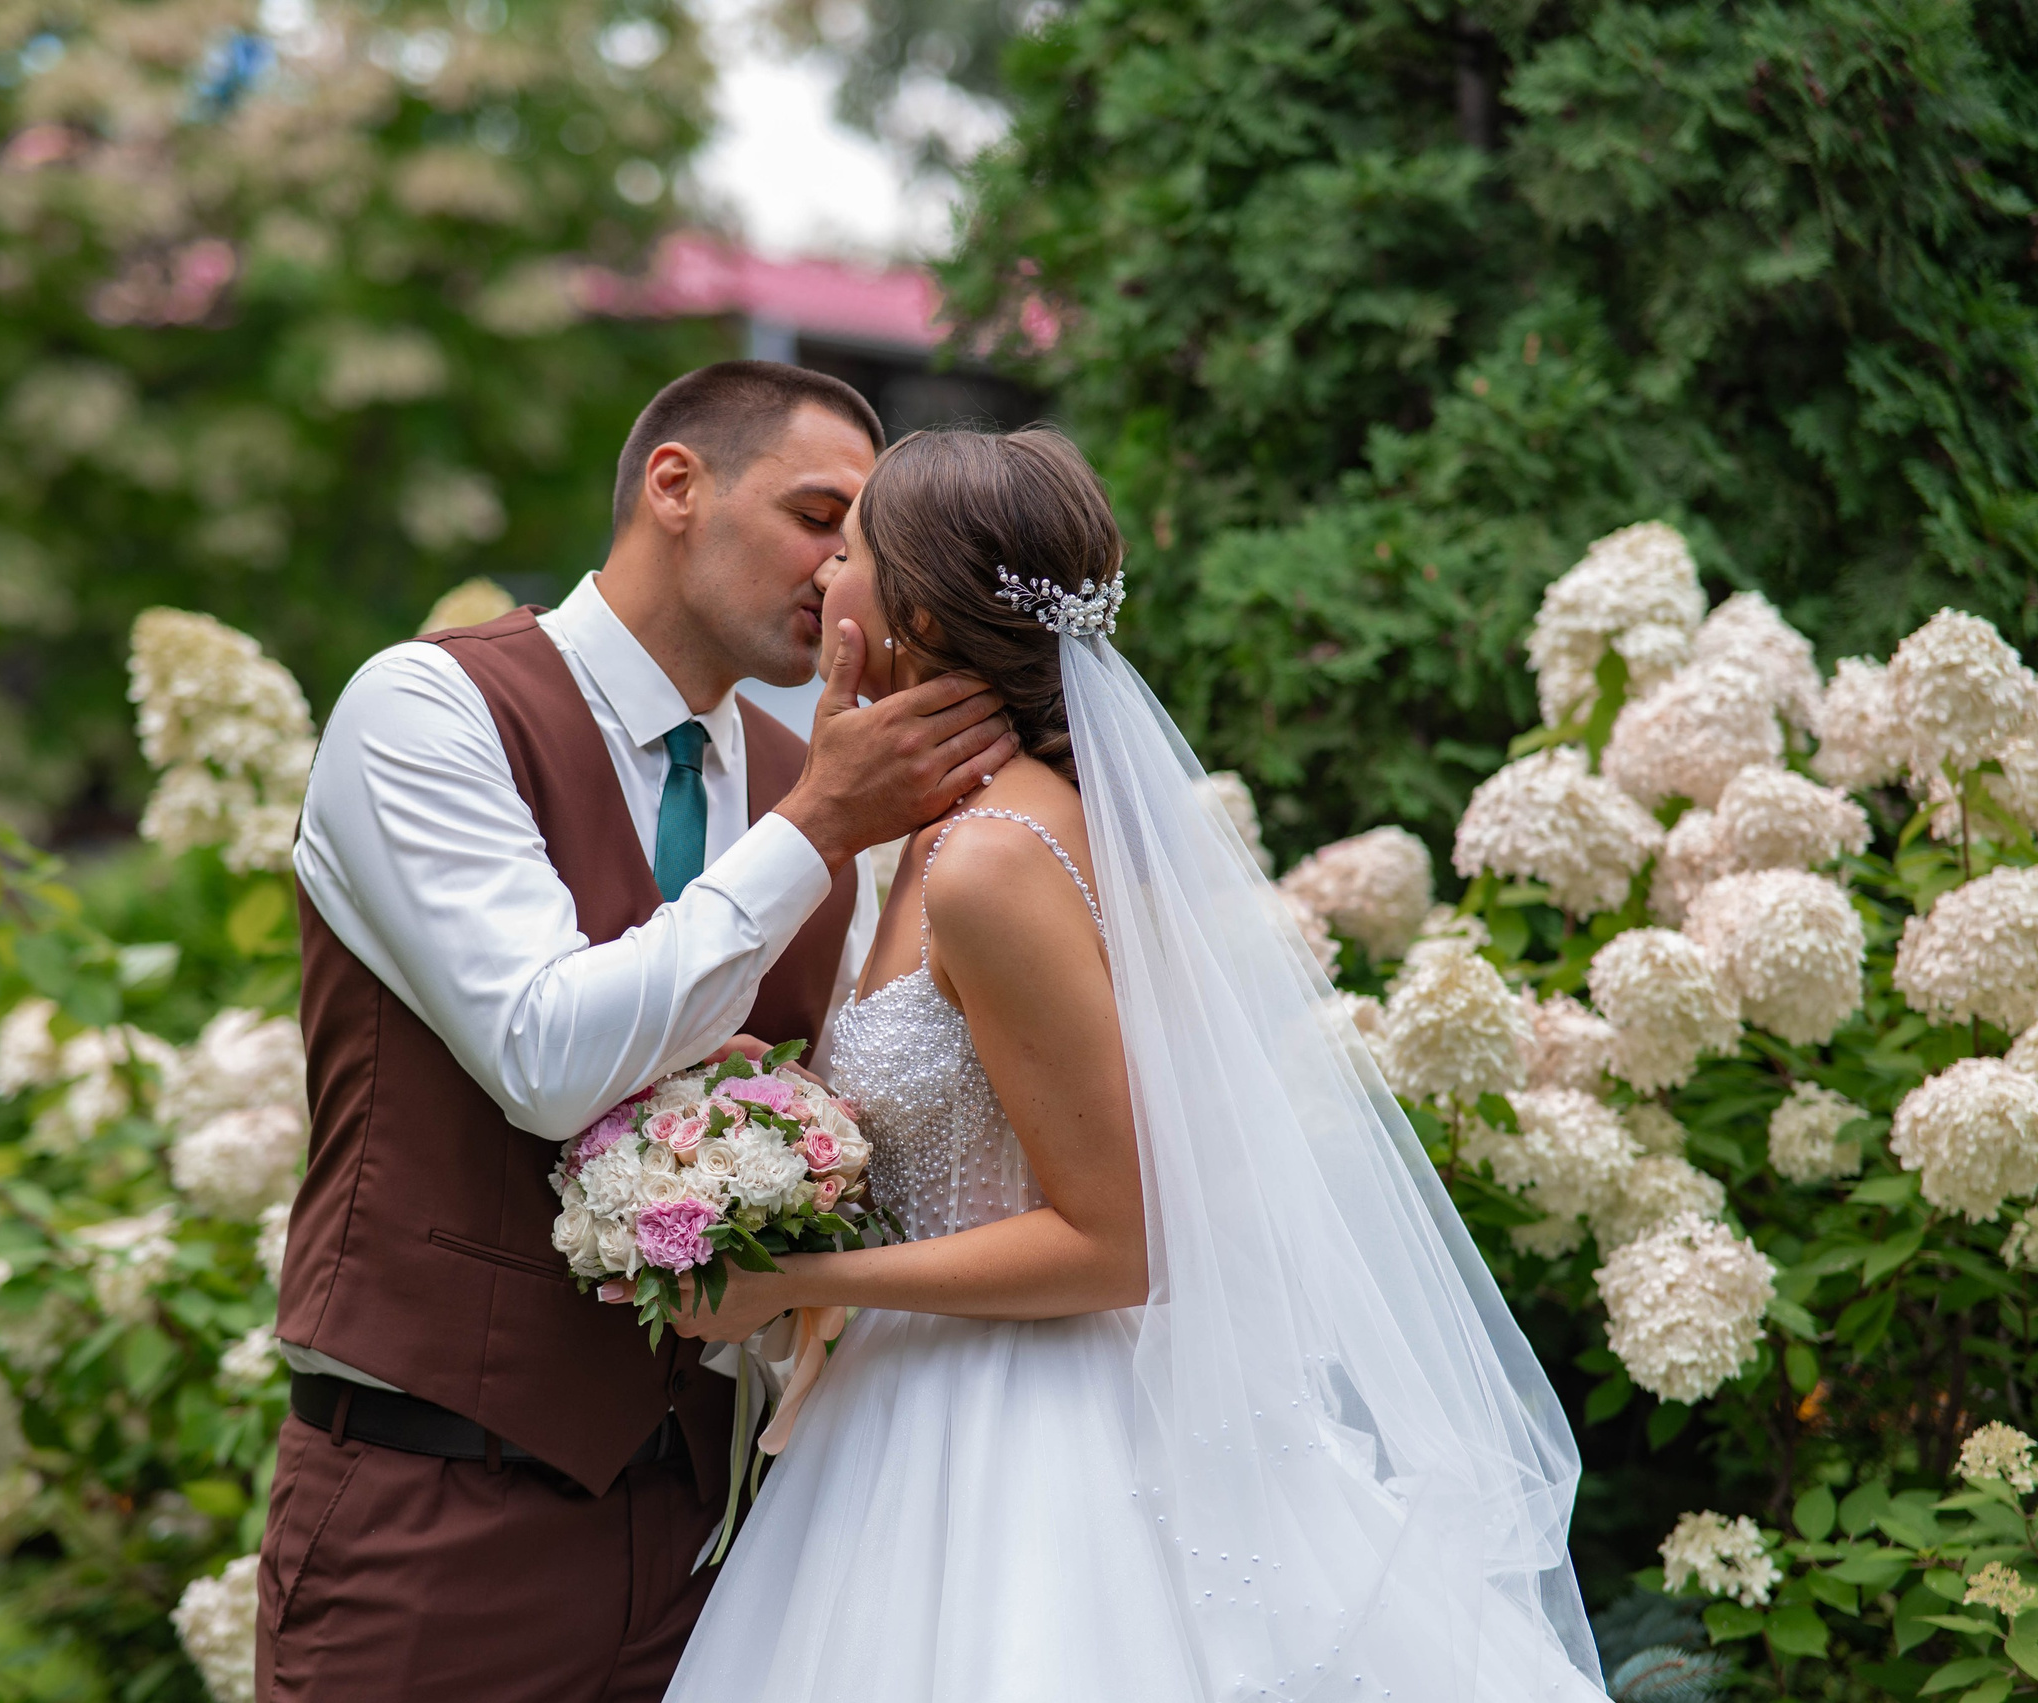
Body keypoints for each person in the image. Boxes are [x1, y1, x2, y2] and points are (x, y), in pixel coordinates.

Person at [652, 427, 1616, 1701]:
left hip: (1014, 1437)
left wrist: (794, 1278)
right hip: (912, 1404)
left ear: (919, 610)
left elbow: (1121, 1241)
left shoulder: (992, 860)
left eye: (853, 551)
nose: (827, 576)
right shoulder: (950, 833)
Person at [257, 362, 1021, 1701]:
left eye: (861, 543)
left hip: (709, 1539)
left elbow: (835, 1130)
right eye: (814, 515)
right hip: (433, 1507)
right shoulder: (427, 710)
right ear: (676, 484)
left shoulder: (807, 783)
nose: (839, 570)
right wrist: (817, 833)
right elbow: (549, 1059)